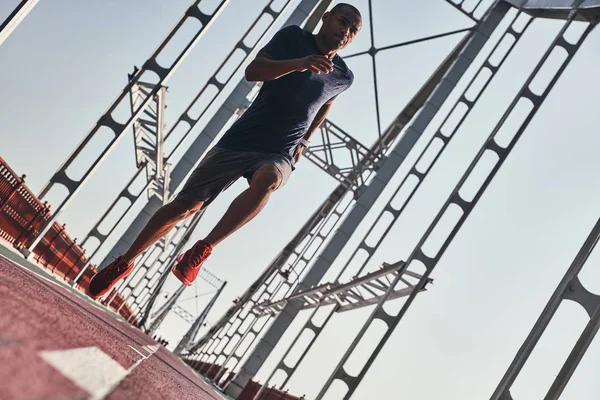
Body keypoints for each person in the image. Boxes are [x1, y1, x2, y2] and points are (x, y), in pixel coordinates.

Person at [88, 3, 363, 300]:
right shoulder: (293, 37)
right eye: (342, 21)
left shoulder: (344, 77)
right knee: (185, 207)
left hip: (281, 148)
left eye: (353, 29)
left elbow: (325, 103)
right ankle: (125, 261)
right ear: (325, 18)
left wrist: (305, 140)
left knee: (268, 181)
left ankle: (202, 249)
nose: (345, 31)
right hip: (242, 138)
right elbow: (254, 70)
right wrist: (299, 63)